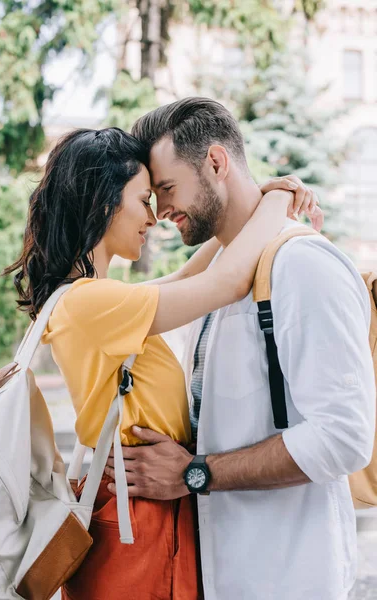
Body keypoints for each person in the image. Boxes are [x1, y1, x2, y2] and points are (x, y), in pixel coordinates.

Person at [4, 126, 318, 600]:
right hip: (140, 517)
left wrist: (250, 208)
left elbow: (190, 274)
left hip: (145, 506)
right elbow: (226, 282)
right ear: (103, 204)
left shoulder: (95, 299)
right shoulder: (91, 304)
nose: (152, 218)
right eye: (142, 200)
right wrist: (278, 197)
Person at [104, 98, 376, 600]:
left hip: (293, 580)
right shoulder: (221, 277)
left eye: (166, 189)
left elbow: (344, 438)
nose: (160, 213)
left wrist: (193, 473)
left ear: (215, 162)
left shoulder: (303, 265)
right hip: (225, 576)